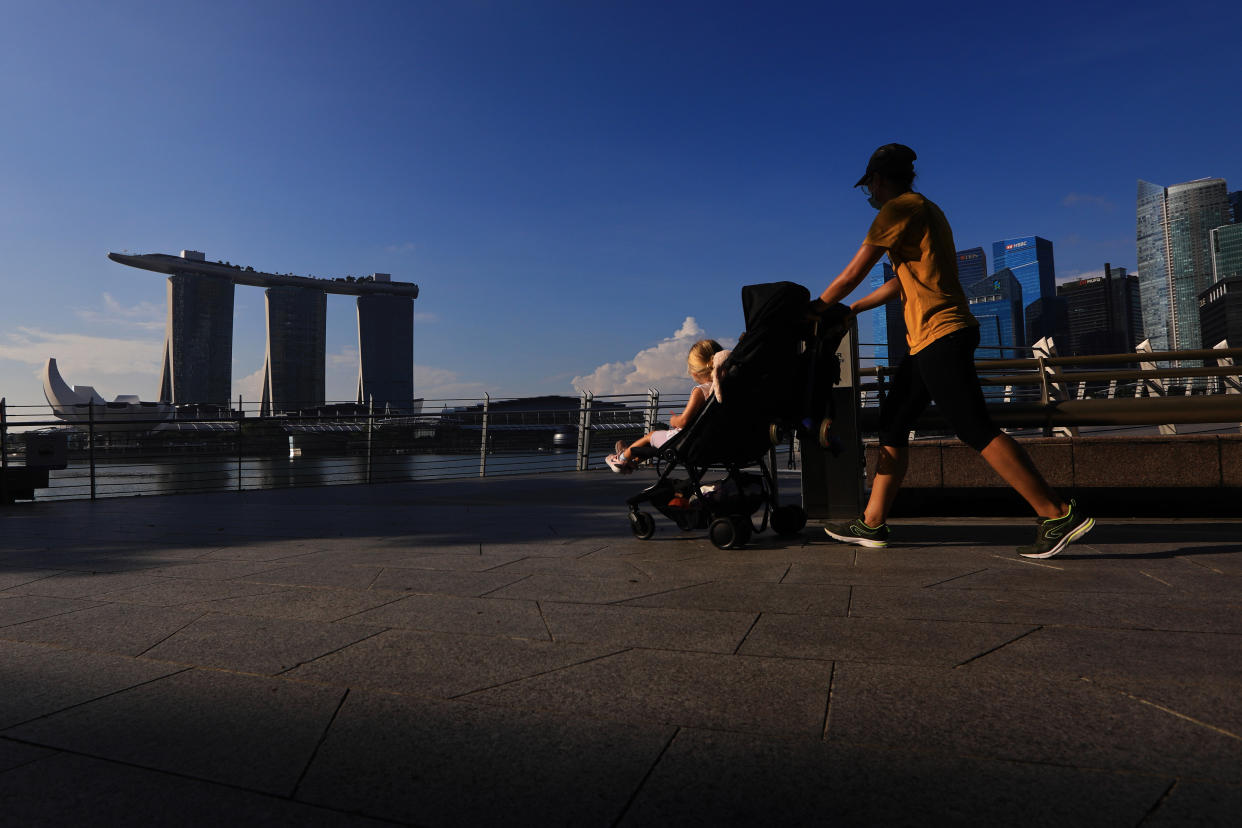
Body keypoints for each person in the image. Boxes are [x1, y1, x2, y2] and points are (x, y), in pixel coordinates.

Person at [810, 143, 1093, 558]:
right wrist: (853, 308)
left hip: (940, 333)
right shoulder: (928, 211)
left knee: (974, 427)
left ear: (877, 179)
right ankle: (872, 524)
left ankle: (1056, 513)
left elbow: (855, 271)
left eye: (868, 185)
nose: (868, 194)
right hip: (929, 337)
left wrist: (816, 311)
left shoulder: (897, 209)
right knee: (892, 423)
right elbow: (903, 281)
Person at [605, 339, 724, 473]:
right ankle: (633, 462)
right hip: (718, 444)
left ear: (694, 372)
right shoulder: (728, 390)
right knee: (656, 442)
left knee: (651, 436)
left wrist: (674, 420)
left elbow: (683, 421)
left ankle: (621, 458)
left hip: (688, 444)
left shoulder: (701, 391)